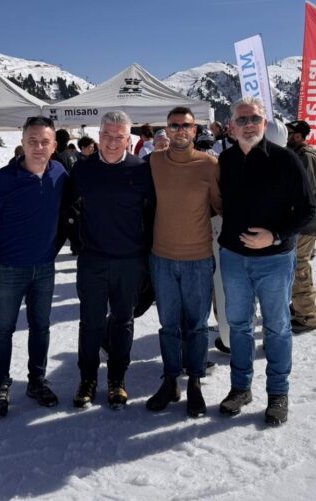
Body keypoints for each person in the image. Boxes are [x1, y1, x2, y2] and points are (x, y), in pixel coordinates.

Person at [217, 97, 315, 427]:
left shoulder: (286, 160)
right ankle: (241, 388)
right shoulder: (226, 161)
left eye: (254, 119)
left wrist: (272, 236)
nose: (248, 125)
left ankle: (277, 394)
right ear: (231, 126)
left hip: (274, 259)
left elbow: (307, 211)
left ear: (264, 124)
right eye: (242, 119)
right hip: (233, 258)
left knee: (277, 326)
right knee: (239, 326)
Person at [0, 116, 68, 419]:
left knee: (41, 327)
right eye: (33, 141)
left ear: (54, 145)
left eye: (44, 141)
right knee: (2, 329)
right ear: (23, 143)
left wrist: (52, 252)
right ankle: (0, 386)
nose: (39, 147)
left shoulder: (59, 173)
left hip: (43, 268)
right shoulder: (4, 178)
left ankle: (37, 381)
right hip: (8, 268)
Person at [67, 111, 155, 409]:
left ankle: (117, 378)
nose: (113, 142)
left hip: (130, 262)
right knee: (90, 323)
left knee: (123, 321)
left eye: (120, 136)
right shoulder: (83, 170)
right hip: (93, 260)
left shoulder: (143, 170)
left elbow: (154, 214)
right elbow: (66, 209)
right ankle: (87, 379)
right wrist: (77, 241)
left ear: (129, 140)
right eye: (107, 135)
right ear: (98, 137)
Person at [145, 107, 221, 418]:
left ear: (195, 130)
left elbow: (219, 206)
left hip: (198, 259)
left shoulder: (209, 164)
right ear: (167, 129)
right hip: (162, 258)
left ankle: (195, 383)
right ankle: (171, 379)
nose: (180, 131)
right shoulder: (155, 162)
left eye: (186, 126)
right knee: (168, 326)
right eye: (174, 125)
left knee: (198, 326)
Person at [285, 120, 316, 335]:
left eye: (289, 133)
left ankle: (307, 316)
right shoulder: (299, 154)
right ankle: (299, 308)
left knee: (299, 267)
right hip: (302, 221)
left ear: (297, 136)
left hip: (306, 223)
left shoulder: (306, 156)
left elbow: (305, 191)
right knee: (294, 265)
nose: (285, 136)